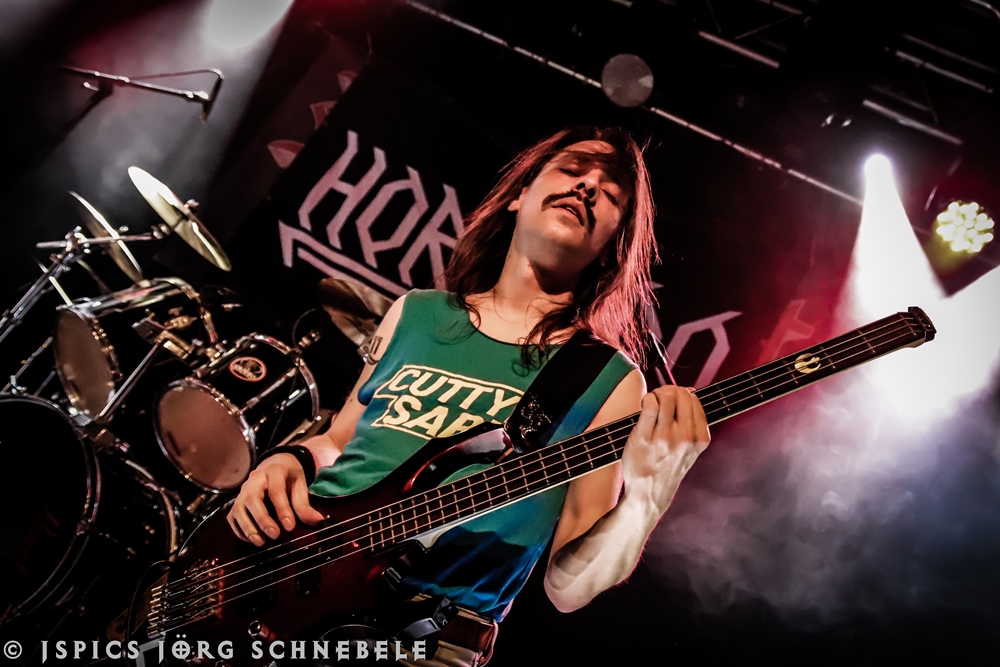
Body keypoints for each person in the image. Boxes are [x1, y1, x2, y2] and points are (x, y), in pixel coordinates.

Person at [226, 127, 711, 665]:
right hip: (283, 588)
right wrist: (288, 459)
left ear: (612, 246)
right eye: (573, 169)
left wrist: (648, 498)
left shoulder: (609, 380)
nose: (588, 186)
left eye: (611, 191)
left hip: (419, 643)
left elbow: (568, 588)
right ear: (519, 195)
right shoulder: (416, 312)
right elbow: (339, 440)